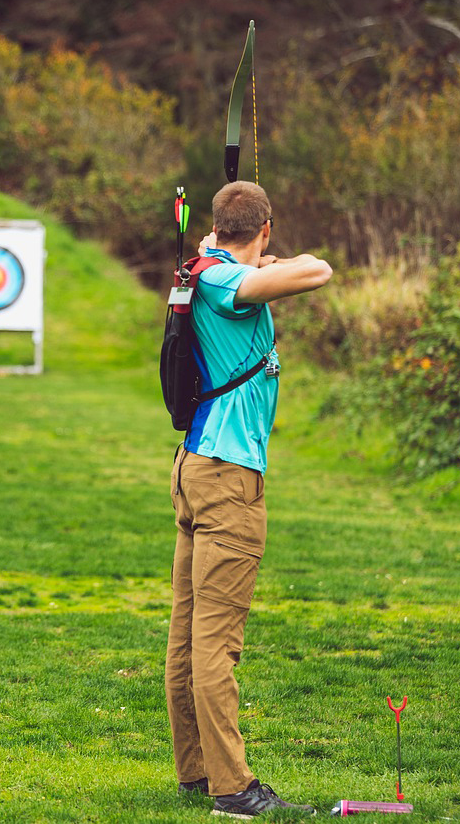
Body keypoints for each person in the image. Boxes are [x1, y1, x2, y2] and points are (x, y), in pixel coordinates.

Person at [165, 180, 332, 818]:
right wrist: (250, 259)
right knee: (214, 643)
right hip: (229, 479)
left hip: (195, 470)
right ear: (265, 229)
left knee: (187, 637)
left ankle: (197, 772)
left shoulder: (200, 270)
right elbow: (317, 270)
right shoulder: (223, 282)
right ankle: (232, 789)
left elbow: (246, 270)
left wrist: (234, 251)